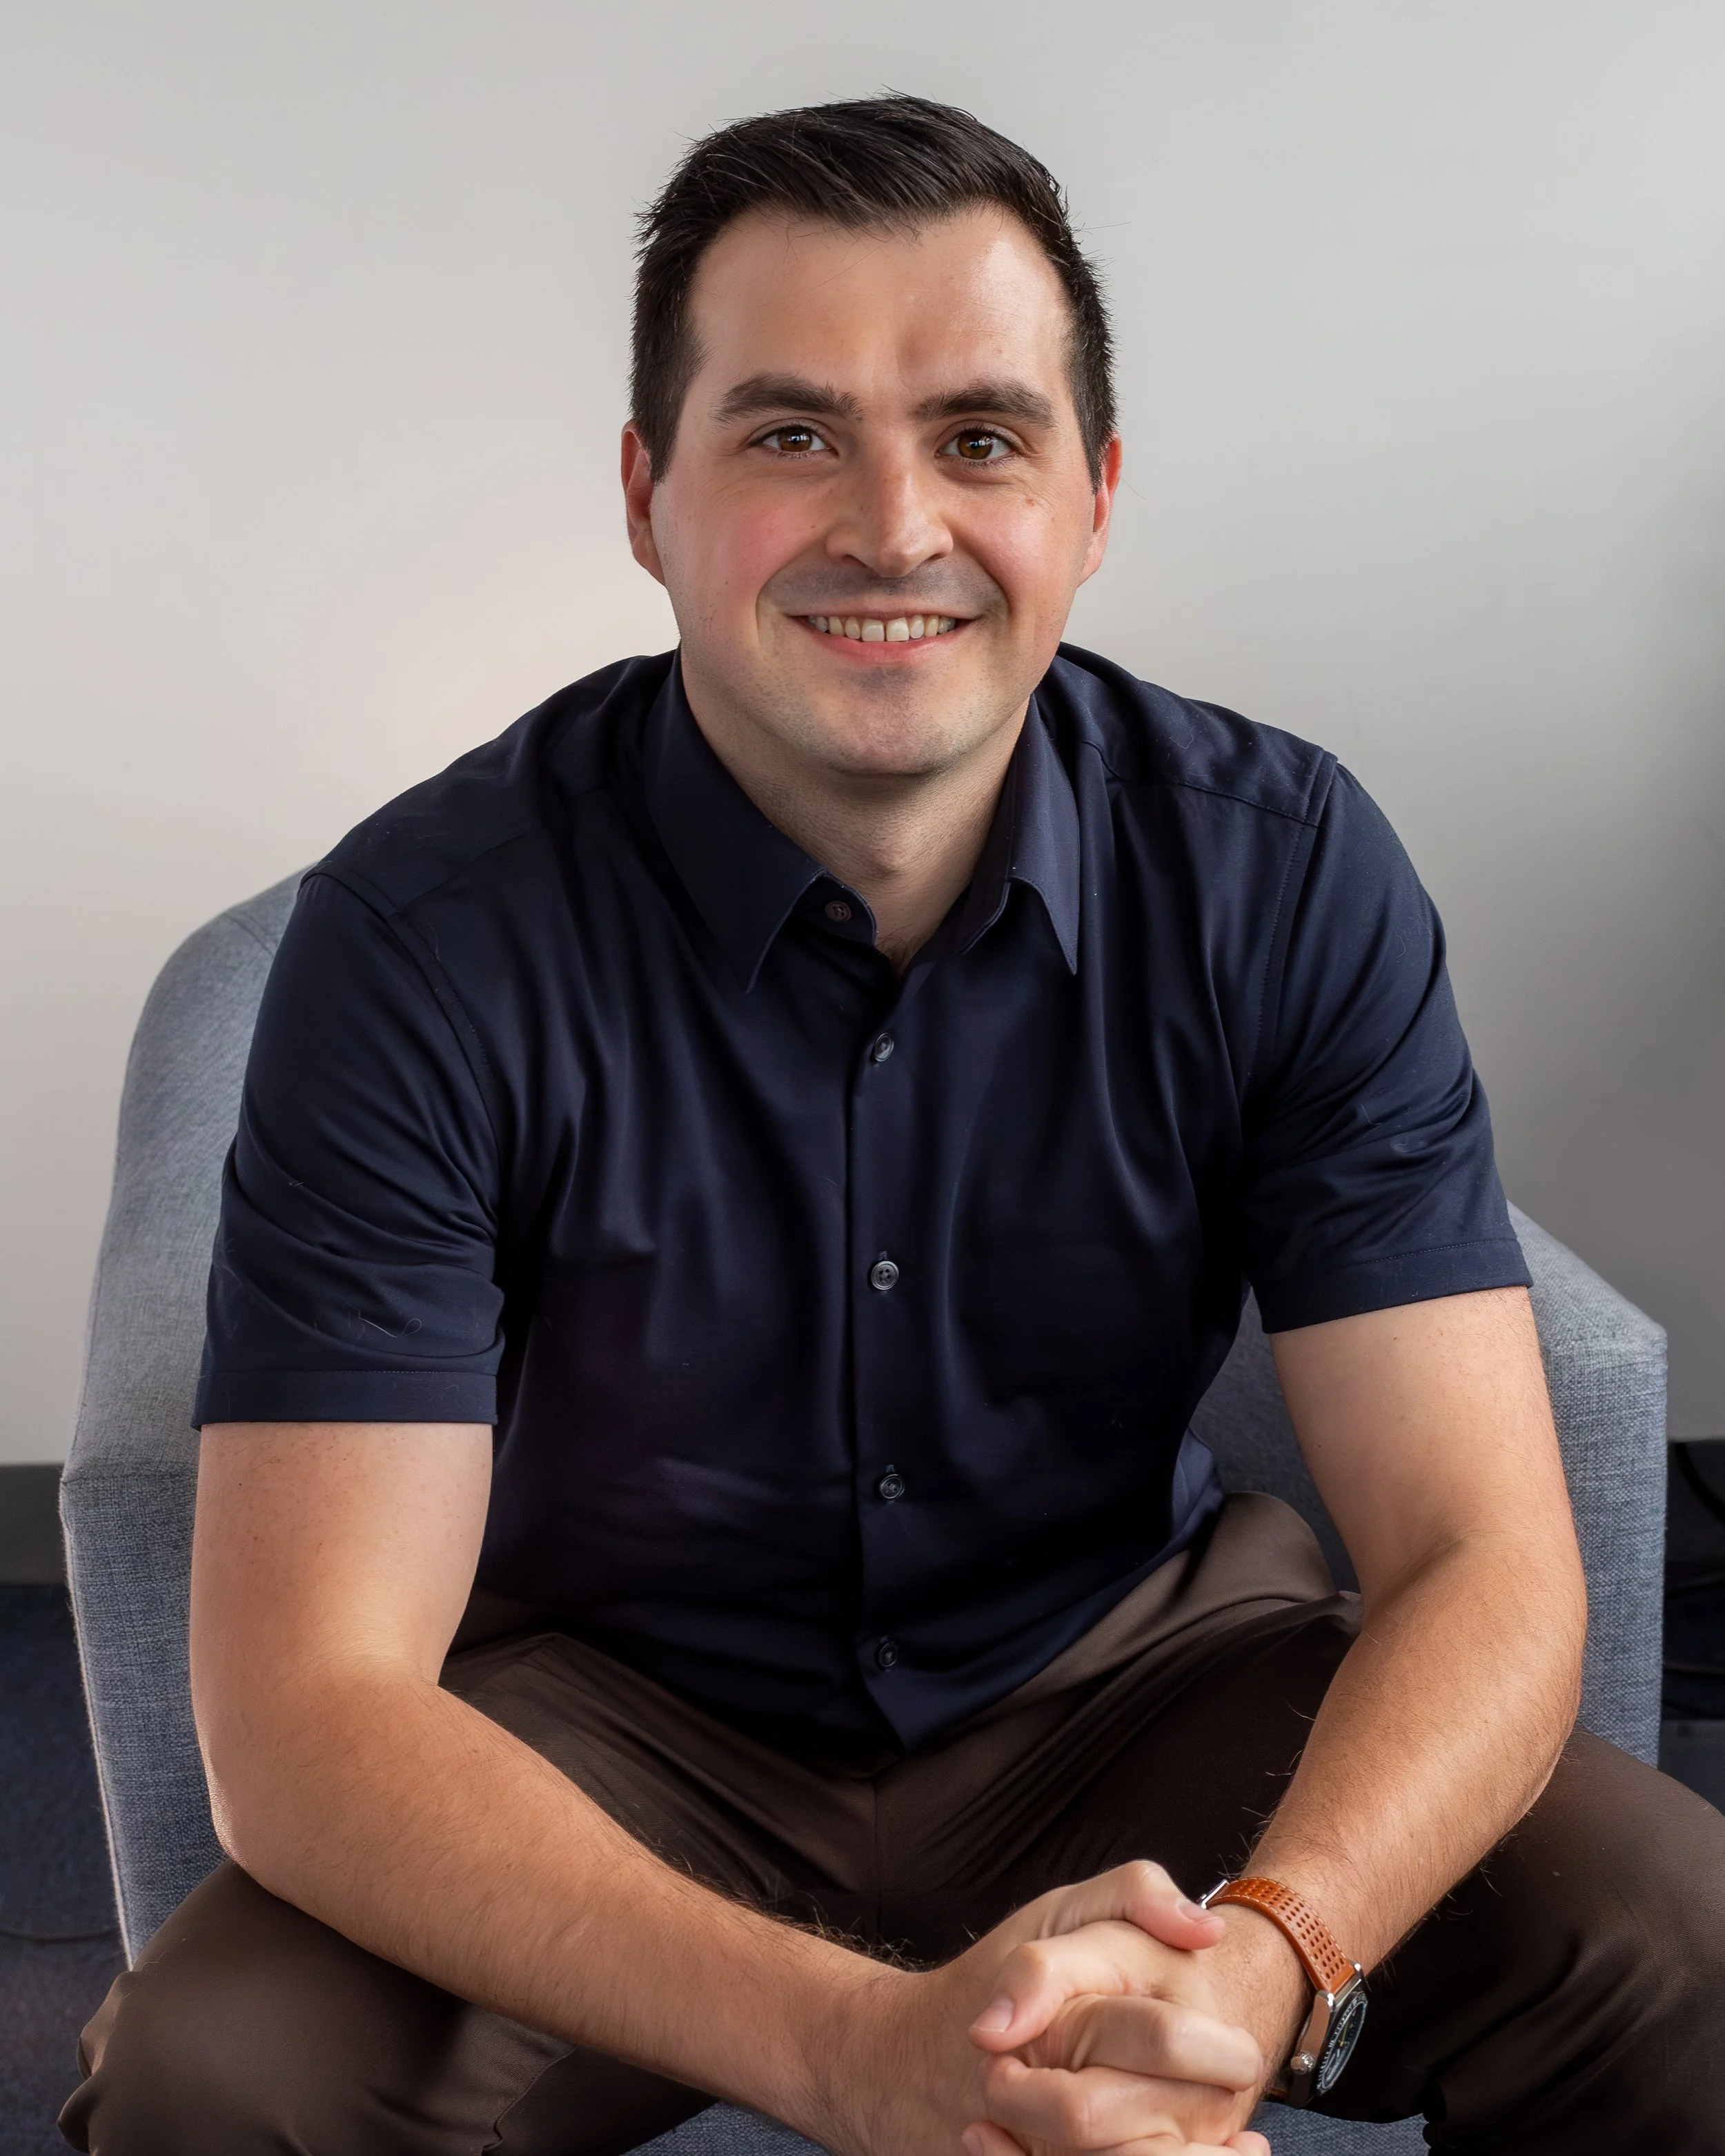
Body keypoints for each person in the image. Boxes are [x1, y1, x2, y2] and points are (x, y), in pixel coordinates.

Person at [63, 95, 1724, 2156]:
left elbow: (1485, 1553)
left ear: (1093, 496)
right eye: (787, 435)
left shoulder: (1282, 867)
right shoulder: (414, 938)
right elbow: (309, 1717)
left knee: (1673, 1933)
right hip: (611, 1726)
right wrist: (848, 2038)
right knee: (217, 2077)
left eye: (979, 436)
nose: (893, 523)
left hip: (1126, 1676)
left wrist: (1271, 1951)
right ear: (645, 493)